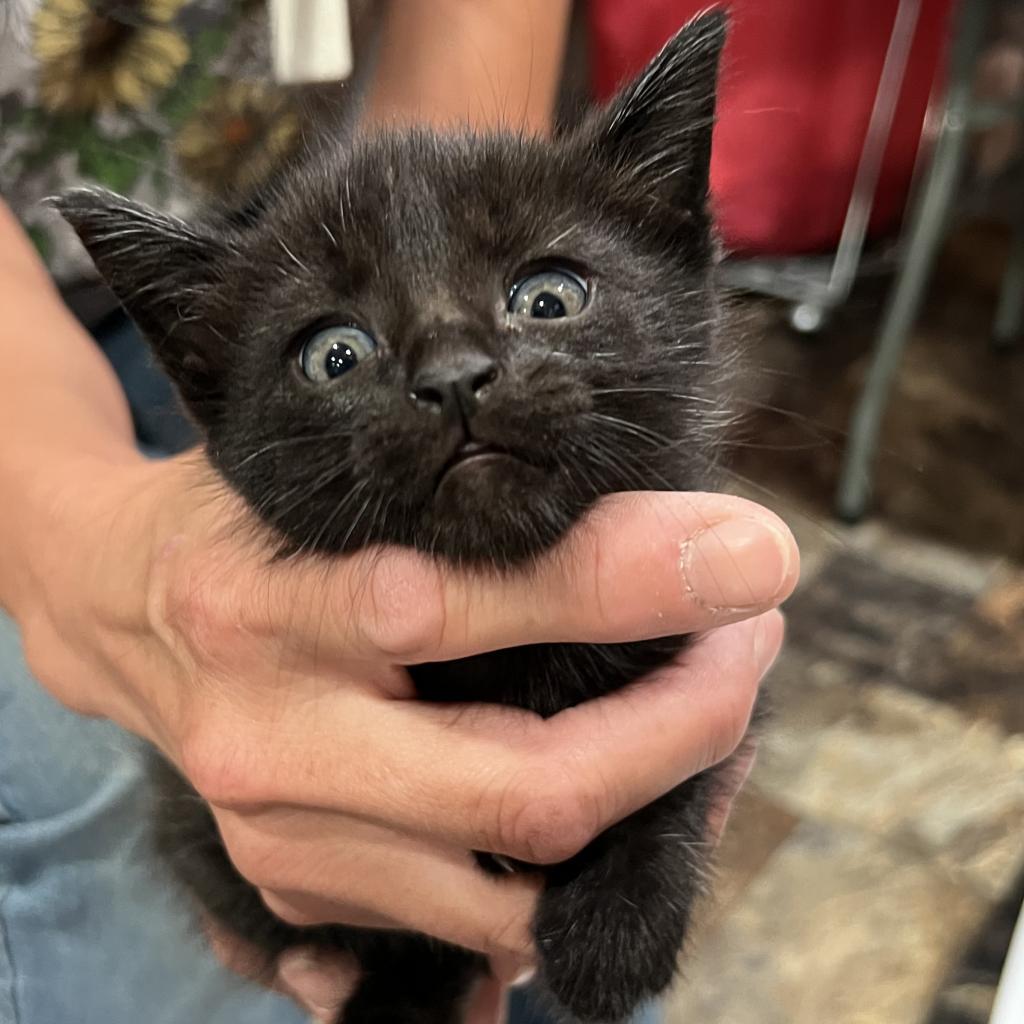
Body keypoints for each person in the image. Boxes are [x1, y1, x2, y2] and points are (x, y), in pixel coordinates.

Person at [0, 2, 799, 1022]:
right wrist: (94, 562)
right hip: (47, 332)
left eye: (547, 298)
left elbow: (440, 175)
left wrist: (658, 824)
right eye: (340, 359)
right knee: (110, 801)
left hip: (327, 179)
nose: (457, 366)